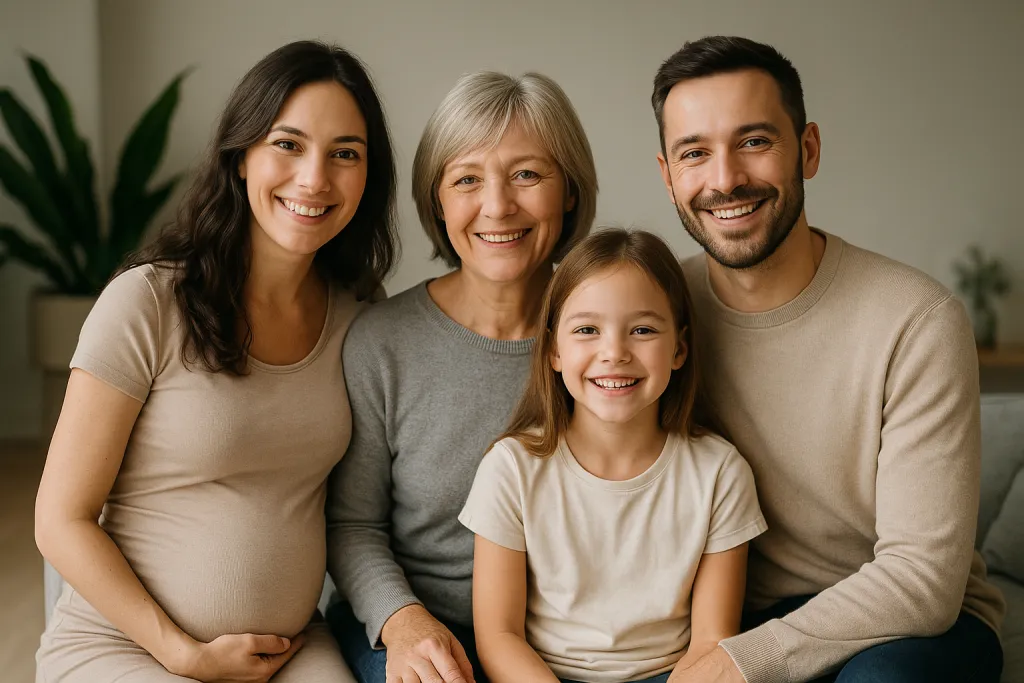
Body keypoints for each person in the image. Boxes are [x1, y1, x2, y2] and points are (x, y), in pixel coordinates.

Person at [34, 40, 397, 683]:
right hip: (124, 647)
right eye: (288, 144)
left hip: (289, 649)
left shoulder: (362, 311)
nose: (315, 178)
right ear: (240, 155)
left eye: (345, 153)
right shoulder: (148, 302)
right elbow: (60, 521)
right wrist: (183, 654)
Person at [649, 35, 1005, 682]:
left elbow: (923, 579)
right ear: (668, 176)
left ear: (807, 150)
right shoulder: (654, 315)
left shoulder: (917, 319)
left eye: (754, 141)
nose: (725, 179)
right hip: (731, 616)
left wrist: (744, 661)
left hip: (903, 626)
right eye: (694, 153)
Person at [326, 71, 598, 683]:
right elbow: (352, 526)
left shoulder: (609, 337)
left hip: (574, 642)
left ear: (570, 191)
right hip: (424, 629)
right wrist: (403, 622)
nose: (498, 206)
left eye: (527, 175)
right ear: (438, 201)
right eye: (467, 179)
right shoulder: (381, 342)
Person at [459, 228, 767, 683]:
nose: (614, 353)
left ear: (679, 349)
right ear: (554, 350)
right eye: (587, 330)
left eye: (642, 330)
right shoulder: (510, 469)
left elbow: (710, 642)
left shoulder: (720, 473)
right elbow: (499, 637)